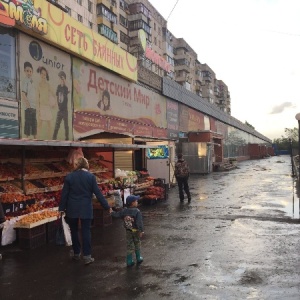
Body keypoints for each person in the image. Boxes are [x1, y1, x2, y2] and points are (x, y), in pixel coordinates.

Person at [59, 157, 112, 265]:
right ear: (86, 165)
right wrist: (106, 206)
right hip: (86, 208)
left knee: (74, 230)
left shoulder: (69, 177)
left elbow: (64, 194)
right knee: (86, 231)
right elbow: (98, 193)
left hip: (72, 208)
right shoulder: (91, 177)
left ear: (77, 165)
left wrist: (61, 209)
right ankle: (87, 256)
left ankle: (77, 253)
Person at [111, 195, 144, 267]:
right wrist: (141, 231)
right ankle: (138, 258)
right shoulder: (137, 211)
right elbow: (139, 222)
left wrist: (111, 212)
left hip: (128, 231)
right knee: (137, 243)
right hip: (136, 231)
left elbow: (117, 215)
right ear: (132, 203)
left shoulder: (124, 210)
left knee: (129, 245)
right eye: (136, 201)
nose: (137, 202)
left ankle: (129, 261)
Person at [36, 66, 56, 139]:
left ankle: (49, 139)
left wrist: (55, 104)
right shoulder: (38, 85)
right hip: (41, 107)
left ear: (46, 75)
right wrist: (38, 109)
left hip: (47, 107)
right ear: (40, 74)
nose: (43, 75)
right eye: (42, 74)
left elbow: (54, 94)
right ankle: (37, 139)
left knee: (50, 125)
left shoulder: (48, 85)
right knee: (39, 124)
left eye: (44, 74)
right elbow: (37, 98)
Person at [21, 61, 37, 139]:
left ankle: (35, 137)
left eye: (30, 71)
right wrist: (28, 105)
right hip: (28, 107)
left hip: (34, 106)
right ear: (24, 71)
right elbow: (23, 94)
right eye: (27, 71)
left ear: (32, 72)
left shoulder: (32, 81)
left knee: (34, 122)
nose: (29, 73)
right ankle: (27, 137)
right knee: (28, 122)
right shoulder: (25, 81)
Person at [53, 71, 69, 140]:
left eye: (62, 78)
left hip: (65, 110)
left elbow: (68, 90)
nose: (61, 80)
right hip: (60, 110)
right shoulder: (58, 87)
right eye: (60, 78)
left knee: (66, 126)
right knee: (57, 125)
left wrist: (65, 82)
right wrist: (57, 104)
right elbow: (56, 95)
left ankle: (67, 138)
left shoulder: (66, 88)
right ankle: (54, 138)